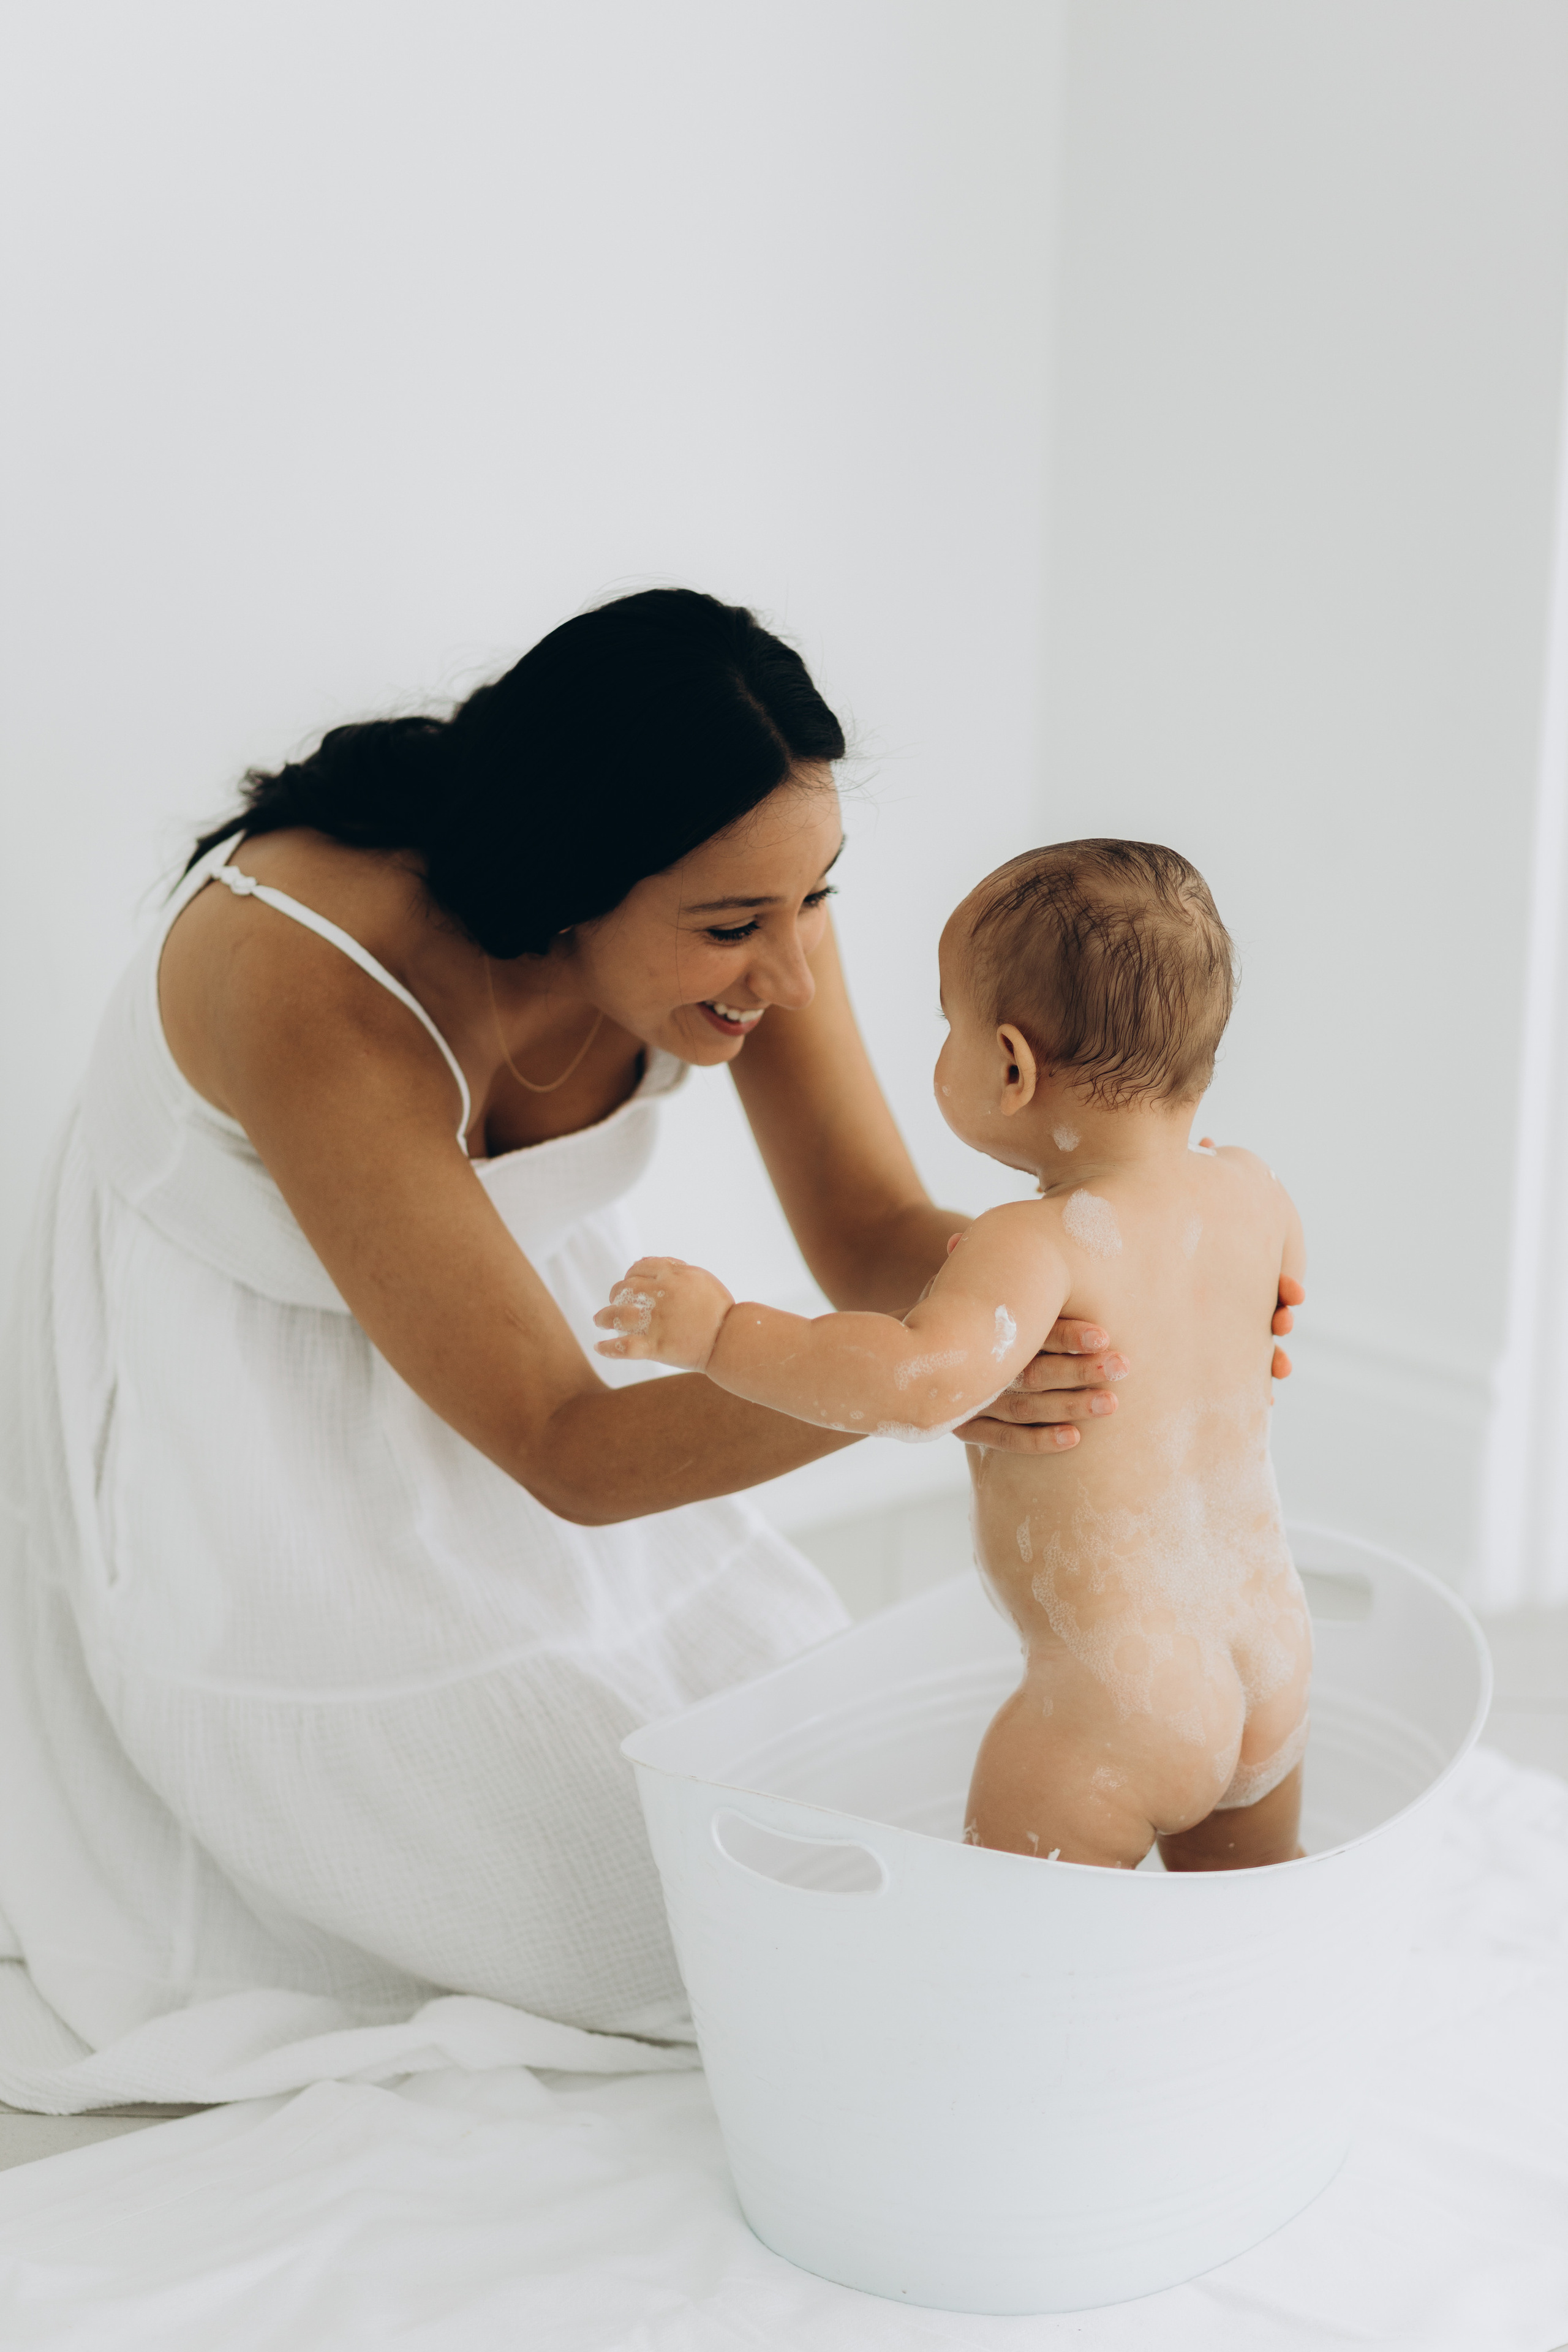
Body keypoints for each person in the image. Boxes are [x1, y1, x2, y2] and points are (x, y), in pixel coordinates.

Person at [0, 591, 1166, 2105]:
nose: (794, 973)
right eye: (737, 929)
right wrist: (931, 1380)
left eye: (815, 900)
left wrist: (1092, 1263)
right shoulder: (308, 986)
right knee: (636, 1911)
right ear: (564, 890)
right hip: (245, 1412)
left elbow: (870, 1229)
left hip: (530, 1335)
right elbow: (570, 1450)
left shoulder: (740, 890)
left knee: (808, 1792)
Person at [596, 838, 1311, 1871]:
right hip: (1270, 1657)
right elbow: (1277, 1313)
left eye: (950, 1023)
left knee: (1018, 1966)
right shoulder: (1256, 1191)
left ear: (1012, 1067)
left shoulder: (1034, 1244)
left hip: (1122, 1704)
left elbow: (916, 1385)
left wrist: (720, 1335)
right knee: (1248, 1943)